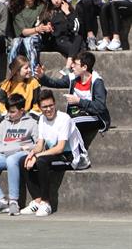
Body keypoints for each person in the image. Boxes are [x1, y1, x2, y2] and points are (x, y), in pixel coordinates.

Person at [21, 89, 90, 217]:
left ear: (55, 104)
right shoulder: (42, 119)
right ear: (40, 108)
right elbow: (40, 145)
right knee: (23, 160)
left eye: (50, 105)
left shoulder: (64, 119)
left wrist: (38, 156)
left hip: (71, 157)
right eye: (44, 107)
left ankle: (46, 203)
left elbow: (60, 147)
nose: (48, 109)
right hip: (55, 154)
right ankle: (37, 200)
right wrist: (32, 153)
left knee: (41, 161)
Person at [0, 94, 39, 216]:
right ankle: (1, 200)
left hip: (21, 156)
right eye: (8, 111)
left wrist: (24, 148)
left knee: (11, 160)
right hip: (5, 155)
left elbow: (37, 145)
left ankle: (14, 201)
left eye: (13, 112)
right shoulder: (4, 123)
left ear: (22, 110)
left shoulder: (32, 123)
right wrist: (18, 147)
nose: (9, 114)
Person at [37, 51, 110, 148]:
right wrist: (43, 77)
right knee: (60, 120)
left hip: (95, 117)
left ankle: (69, 150)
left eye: (75, 64)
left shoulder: (97, 82)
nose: (72, 66)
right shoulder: (74, 78)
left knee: (70, 122)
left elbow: (100, 107)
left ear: (84, 67)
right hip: (76, 114)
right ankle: (56, 147)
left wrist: (79, 101)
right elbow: (56, 83)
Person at [0, 57, 41, 134]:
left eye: (29, 67)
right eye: (26, 68)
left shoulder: (33, 82)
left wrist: (29, 115)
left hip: (28, 115)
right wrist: (7, 115)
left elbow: (36, 104)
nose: (29, 70)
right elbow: (1, 102)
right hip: (12, 115)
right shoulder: (7, 84)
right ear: (17, 71)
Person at [7, 0, 46, 73]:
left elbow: (42, 25)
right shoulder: (16, 8)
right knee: (15, 42)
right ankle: (12, 72)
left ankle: (33, 73)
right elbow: (24, 31)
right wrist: (36, 29)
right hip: (21, 38)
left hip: (36, 40)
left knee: (29, 41)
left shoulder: (41, 6)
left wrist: (41, 29)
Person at [39, 0, 83, 65]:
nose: (56, 1)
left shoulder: (68, 8)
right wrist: (47, 28)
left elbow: (76, 28)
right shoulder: (47, 11)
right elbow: (41, 28)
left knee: (79, 38)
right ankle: (71, 64)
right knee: (78, 51)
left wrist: (67, 13)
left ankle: (69, 63)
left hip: (69, 39)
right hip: (55, 41)